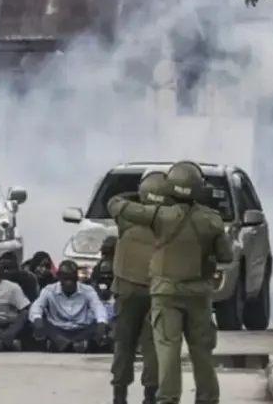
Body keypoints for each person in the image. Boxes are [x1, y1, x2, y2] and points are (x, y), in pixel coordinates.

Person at [108, 160, 234, 404]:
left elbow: (117, 205)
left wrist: (147, 194)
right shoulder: (212, 220)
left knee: (167, 350)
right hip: (198, 294)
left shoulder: (159, 217)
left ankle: (167, 398)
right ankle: (207, 398)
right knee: (202, 352)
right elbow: (226, 256)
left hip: (165, 292)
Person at [108, 170, 168, 404]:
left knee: (124, 343)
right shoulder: (171, 220)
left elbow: (114, 201)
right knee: (153, 346)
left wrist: (142, 195)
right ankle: (150, 395)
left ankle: (119, 393)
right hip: (158, 290)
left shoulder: (127, 217)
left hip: (127, 289)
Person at [30, 260, 109, 353]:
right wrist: (37, 319)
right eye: (66, 279)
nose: (69, 282)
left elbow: (98, 307)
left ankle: (66, 345)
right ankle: (73, 345)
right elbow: (37, 306)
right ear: (59, 278)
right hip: (58, 329)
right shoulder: (49, 290)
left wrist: (101, 322)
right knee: (40, 321)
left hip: (81, 329)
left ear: (77, 278)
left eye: (72, 279)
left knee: (100, 324)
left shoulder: (88, 290)